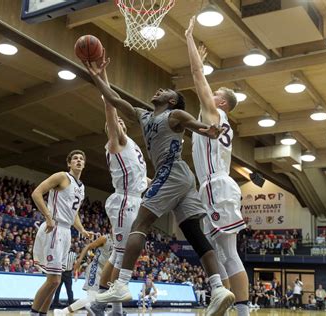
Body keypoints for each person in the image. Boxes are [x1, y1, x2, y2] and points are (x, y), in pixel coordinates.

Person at [85, 53, 235, 316]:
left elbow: (195, 124)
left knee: (139, 223)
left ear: (172, 100)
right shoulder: (143, 116)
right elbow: (114, 99)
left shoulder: (174, 114)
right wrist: (97, 76)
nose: (159, 90)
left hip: (171, 171)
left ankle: (121, 284)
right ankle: (218, 287)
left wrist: (207, 129)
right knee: (193, 232)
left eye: (165, 90)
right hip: (183, 180)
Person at [185, 16, 249, 316]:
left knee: (226, 253)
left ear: (221, 104)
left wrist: (188, 39)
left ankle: (243, 311)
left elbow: (197, 74)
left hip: (216, 184)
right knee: (213, 252)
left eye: (215, 95)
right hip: (213, 187)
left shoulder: (215, 116)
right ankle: (222, 303)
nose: (210, 96)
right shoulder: (211, 122)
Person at [88, 56, 148, 316]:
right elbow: (111, 107)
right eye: (115, 125)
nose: (120, 123)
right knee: (123, 254)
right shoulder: (115, 145)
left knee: (116, 255)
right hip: (124, 201)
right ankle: (99, 304)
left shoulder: (133, 148)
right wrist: (101, 76)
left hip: (135, 199)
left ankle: (113, 308)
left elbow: (145, 180)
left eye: (122, 123)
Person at [30, 150, 92, 316]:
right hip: (54, 228)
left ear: (84, 164)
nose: (78, 161)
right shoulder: (62, 177)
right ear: (69, 163)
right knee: (54, 279)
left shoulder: (82, 187)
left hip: (66, 231)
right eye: (75, 159)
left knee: (55, 282)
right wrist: (48, 216)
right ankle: (34, 313)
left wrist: (81, 229)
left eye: (81, 159)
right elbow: (36, 193)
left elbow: (74, 213)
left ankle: (42, 313)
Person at [56, 234, 113, 315]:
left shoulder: (120, 243)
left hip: (107, 272)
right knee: (91, 299)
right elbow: (88, 247)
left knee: (97, 303)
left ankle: (62, 312)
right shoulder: (105, 238)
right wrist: (79, 261)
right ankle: (63, 312)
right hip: (95, 268)